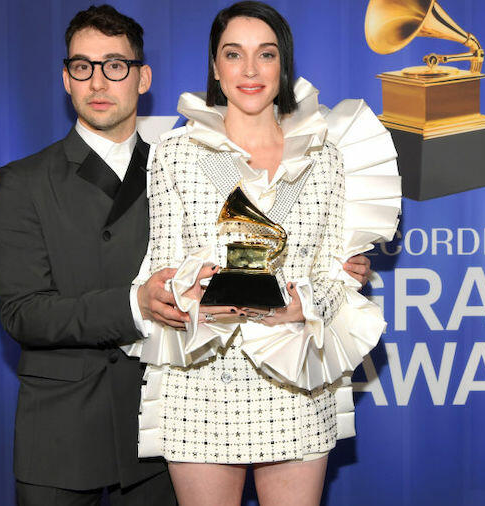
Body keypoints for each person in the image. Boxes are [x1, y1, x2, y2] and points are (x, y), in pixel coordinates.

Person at [0, 5, 374, 504]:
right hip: (119, 409)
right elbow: (29, 310)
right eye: (83, 67)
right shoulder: (162, 157)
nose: (99, 82)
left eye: (115, 66)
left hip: (275, 386)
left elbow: (327, 267)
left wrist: (331, 283)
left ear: (143, 77)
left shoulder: (179, 156)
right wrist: (150, 300)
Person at [121, 2, 401, 505]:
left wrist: (303, 305)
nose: (250, 70)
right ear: (215, 67)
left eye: (265, 54)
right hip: (202, 376)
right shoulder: (173, 153)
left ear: (283, 65)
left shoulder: (325, 156)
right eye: (234, 54)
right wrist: (190, 295)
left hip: (296, 377)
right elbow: (163, 266)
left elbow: (337, 277)